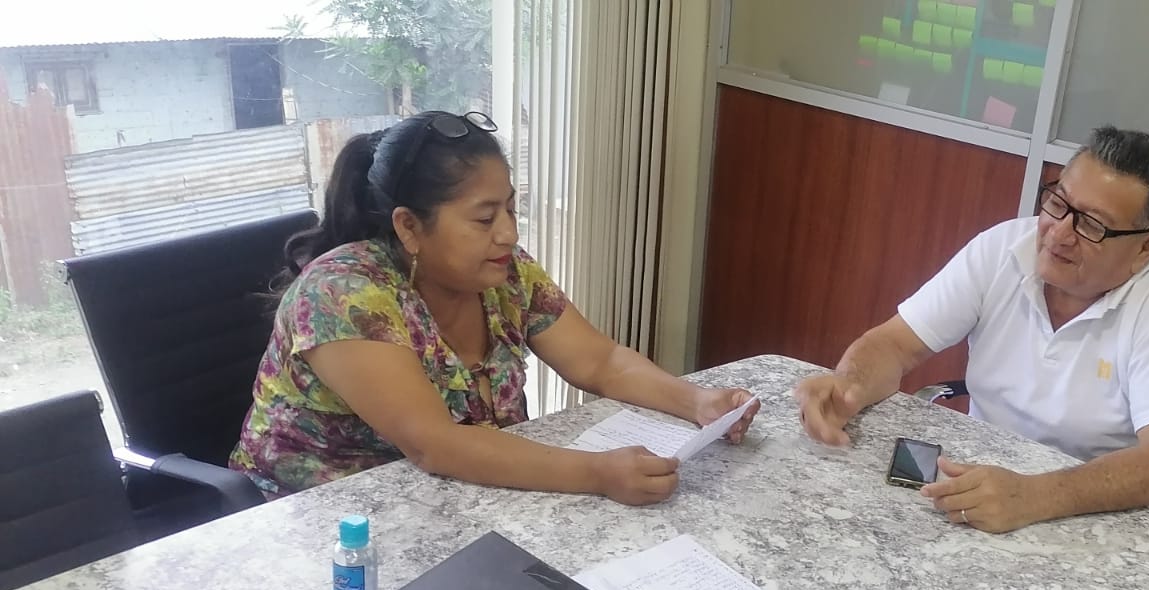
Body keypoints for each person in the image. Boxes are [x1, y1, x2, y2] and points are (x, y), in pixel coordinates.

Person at [230, 110, 758, 504]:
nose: (508, 233)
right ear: (408, 226)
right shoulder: (343, 293)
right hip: (319, 525)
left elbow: (601, 363)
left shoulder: (504, 273)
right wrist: (597, 473)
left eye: (510, 209)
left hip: (460, 499)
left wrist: (698, 402)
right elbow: (436, 445)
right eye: (484, 219)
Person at [794, 126, 1149, 533]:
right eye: (1058, 203)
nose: (1059, 233)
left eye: (1092, 226)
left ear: (1146, 246)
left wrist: (1035, 496)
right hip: (990, 485)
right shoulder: (1004, 248)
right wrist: (848, 387)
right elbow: (895, 344)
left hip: (1105, 513)